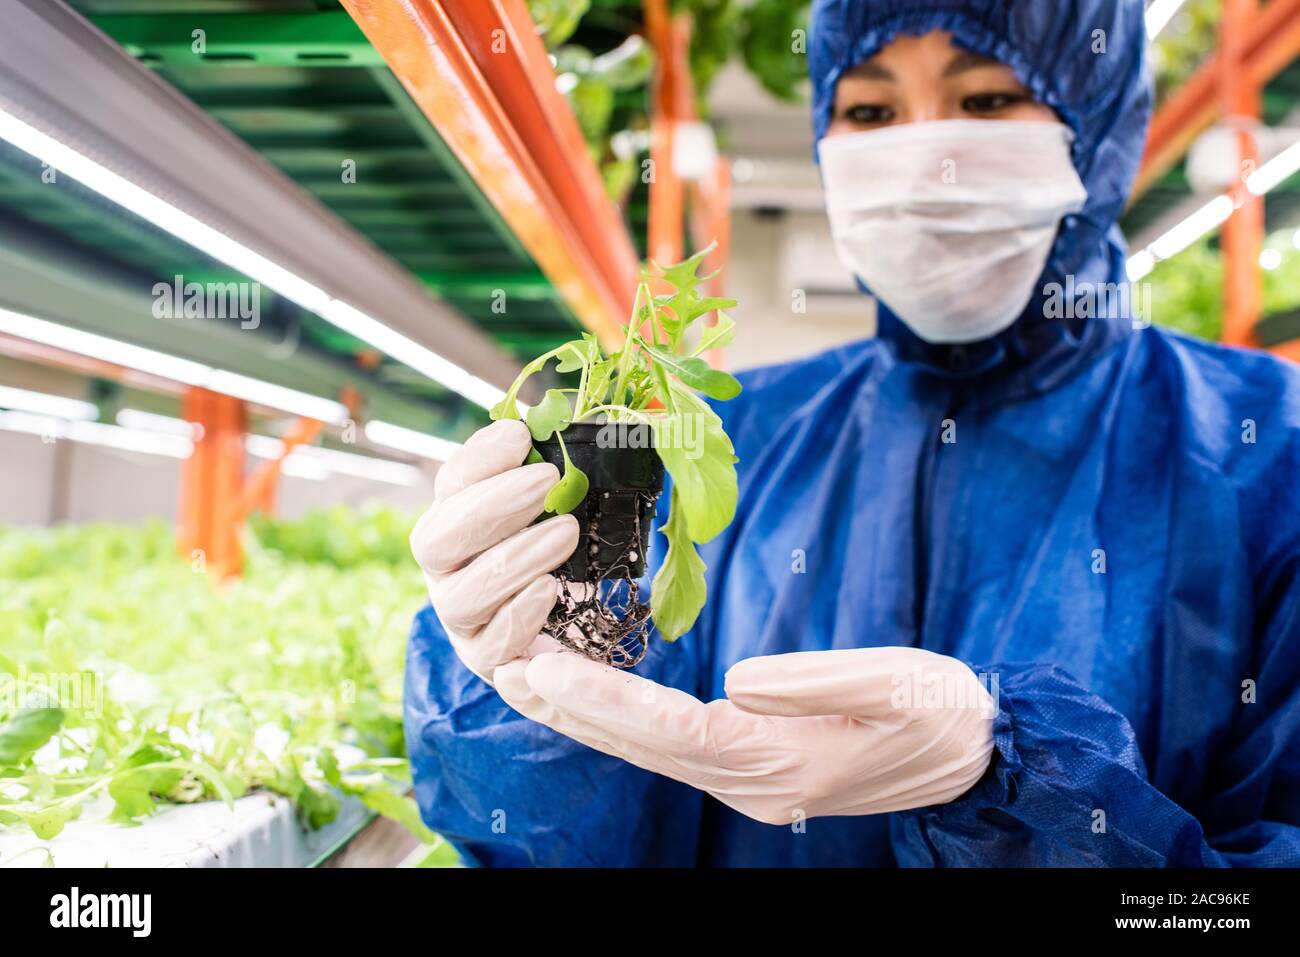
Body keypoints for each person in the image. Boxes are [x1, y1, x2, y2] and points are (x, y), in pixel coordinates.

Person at [404, 0, 1300, 866]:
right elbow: (581, 837)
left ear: (1098, 116)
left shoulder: (1268, 452)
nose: (923, 155)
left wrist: (1025, 783)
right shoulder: (728, 434)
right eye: (870, 109)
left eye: (986, 99)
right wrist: (527, 692)